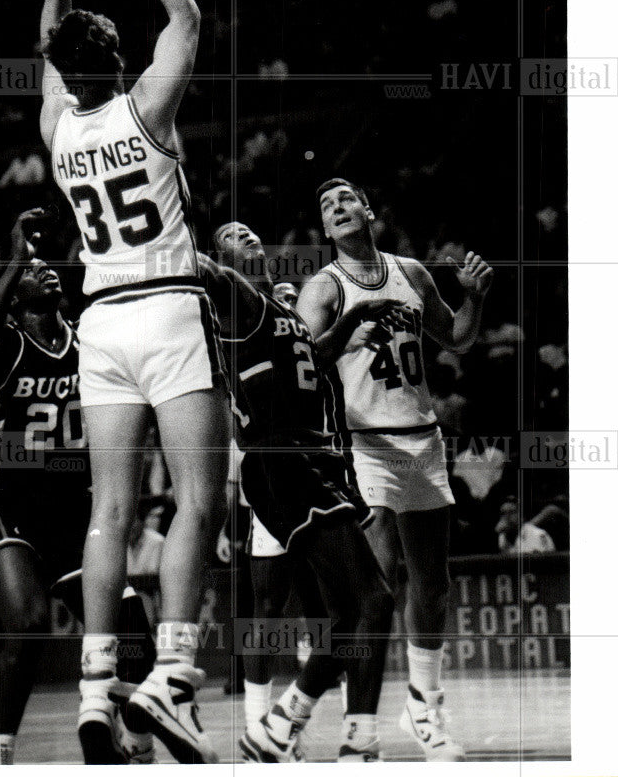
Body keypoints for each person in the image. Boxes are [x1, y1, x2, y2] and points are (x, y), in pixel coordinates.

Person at [37, 0, 230, 764]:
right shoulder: (146, 106)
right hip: (167, 308)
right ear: (116, 60)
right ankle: (174, 679)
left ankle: (94, 688)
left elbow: (50, 36)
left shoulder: (58, 124)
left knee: (107, 513)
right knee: (199, 501)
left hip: (99, 324)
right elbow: (186, 17)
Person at [297, 178, 493, 762]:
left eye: (346, 199)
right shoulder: (323, 287)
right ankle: (360, 726)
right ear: (326, 229)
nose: (337, 208)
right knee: (379, 584)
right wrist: (342, 331)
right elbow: (300, 361)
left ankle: (423, 706)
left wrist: (475, 299)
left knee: (432, 586)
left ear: (368, 210)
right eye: (327, 206)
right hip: (363, 445)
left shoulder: (411, 272)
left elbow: (455, 337)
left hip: (421, 438)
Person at [0, 210, 155, 765]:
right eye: (32, 270)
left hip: (78, 514)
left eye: (46, 266)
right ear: (15, 296)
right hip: (11, 511)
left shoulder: (90, 339)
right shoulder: (6, 348)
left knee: (138, 640)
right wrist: (17, 256)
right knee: (27, 626)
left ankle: (131, 745)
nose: (44, 271)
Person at [203, 221, 394, 763]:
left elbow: (315, 353)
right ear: (226, 257)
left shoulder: (281, 309)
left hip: (312, 461)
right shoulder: (241, 302)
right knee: (370, 600)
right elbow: (207, 271)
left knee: (346, 617)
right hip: (282, 459)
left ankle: (289, 728)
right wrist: (154, 250)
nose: (250, 236)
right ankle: (278, 723)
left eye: (250, 231)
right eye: (235, 236)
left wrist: (354, 317)